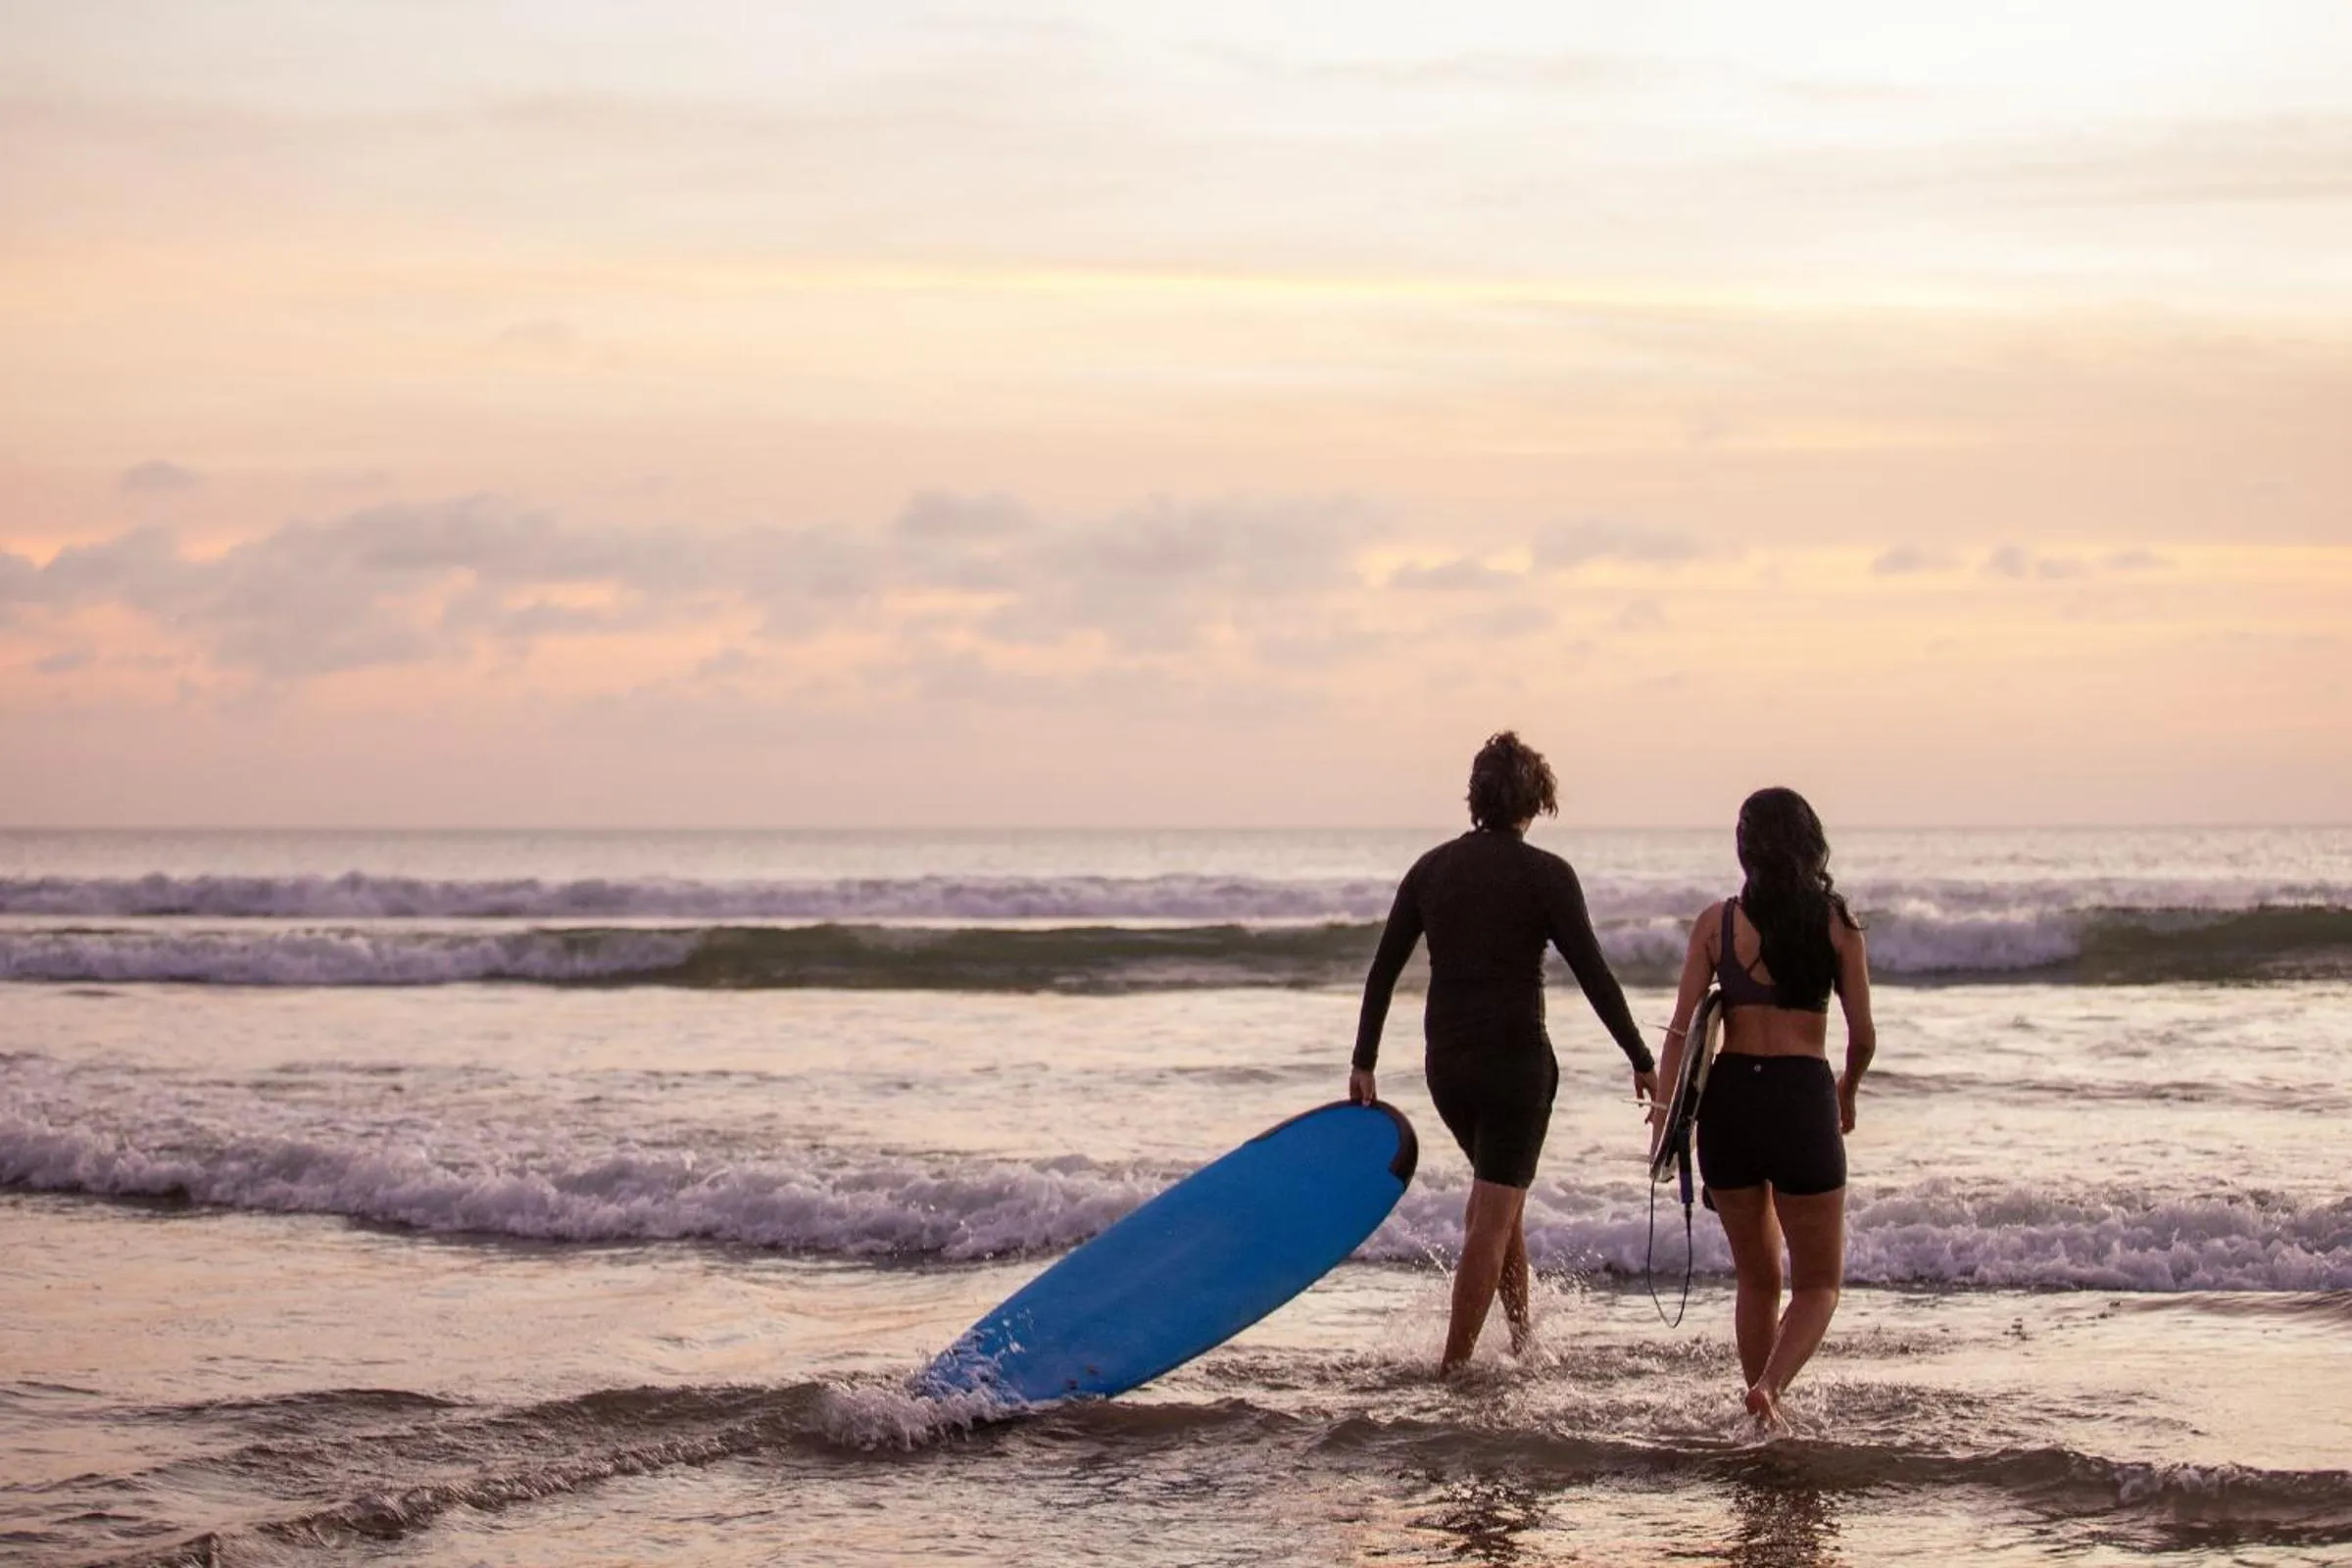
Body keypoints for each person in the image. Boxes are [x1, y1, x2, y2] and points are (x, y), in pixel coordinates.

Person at [1350, 731, 1657, 1375]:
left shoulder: (1430, 869)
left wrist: (1365, 1063)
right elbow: (1594, 974)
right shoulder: (1547, 875)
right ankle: (1454, 1370)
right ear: (1534, 799)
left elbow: (1382, 973)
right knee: (1490, 1219)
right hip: (1515, 1067)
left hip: (1448, 1070)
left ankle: (1523, 1344)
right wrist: (1641, 1055)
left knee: (1499, 1203)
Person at [1651, 786, 1876, 1430]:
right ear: (1810, 842)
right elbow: (1863, 1037)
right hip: (1802, 1098)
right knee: (1818, 1285)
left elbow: (1679, 1031)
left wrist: (1665, 1115)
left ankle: (1759, 1411)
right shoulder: (1837, 925)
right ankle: (1770, 1389)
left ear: (1745, 849)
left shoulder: (1717, 923)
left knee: (1756, 1280)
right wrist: (1847, 1092)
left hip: (1732, 1106)